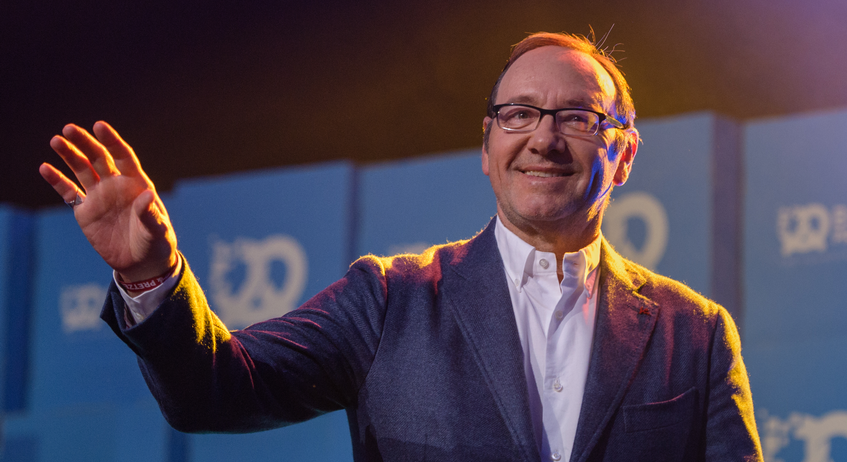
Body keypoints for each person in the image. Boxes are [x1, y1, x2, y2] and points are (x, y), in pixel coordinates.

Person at [39, 32, 763, 461]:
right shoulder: (389, 299)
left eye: (577, 116)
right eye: (518, 115)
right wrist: (151, 273)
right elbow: (215, 390)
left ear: (624, 153)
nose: (543, 138)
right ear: (487, 147)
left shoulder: (695, 336)